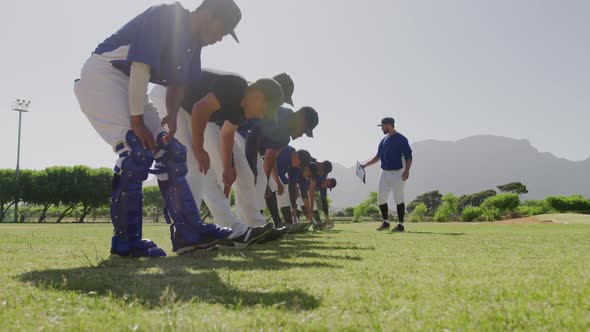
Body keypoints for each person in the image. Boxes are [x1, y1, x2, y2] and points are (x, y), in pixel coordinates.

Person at [74, 0, 242, 257]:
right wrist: (138, 120)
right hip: (104, 76)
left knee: (171, 153)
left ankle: (189, 233)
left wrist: (172, 117)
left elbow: (178, 85)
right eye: (223, 29)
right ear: (207, 14)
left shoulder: (193, 43)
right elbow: (140, 64)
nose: (220, 38)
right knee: (136, 152)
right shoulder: (167, 14)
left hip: (133, 86)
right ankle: (126, 242)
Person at [149, 70, 284, 249]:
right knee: (194, 165)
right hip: (170, 95)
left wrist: (228, 167)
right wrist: (199, 149)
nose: (261, 116)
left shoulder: (242, 111)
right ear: (258, 97)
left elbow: (227, 134)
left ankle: (202, 231)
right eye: (265, 110)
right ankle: (190, 234)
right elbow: (200, 109)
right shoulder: (236, 86)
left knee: (199, 169)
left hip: (187, 106)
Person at [361, 117, 413, 232]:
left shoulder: (401, 139)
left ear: (388, 125)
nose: (381, 129)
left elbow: (408, 156)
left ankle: (400, 225)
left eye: (382, 126)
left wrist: (407, 170)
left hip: (398, 172)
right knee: (381, 199)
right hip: (384, 173)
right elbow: (378, 157)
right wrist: (365, 165)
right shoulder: (384, 140)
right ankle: (385, 222)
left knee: (398, 198)